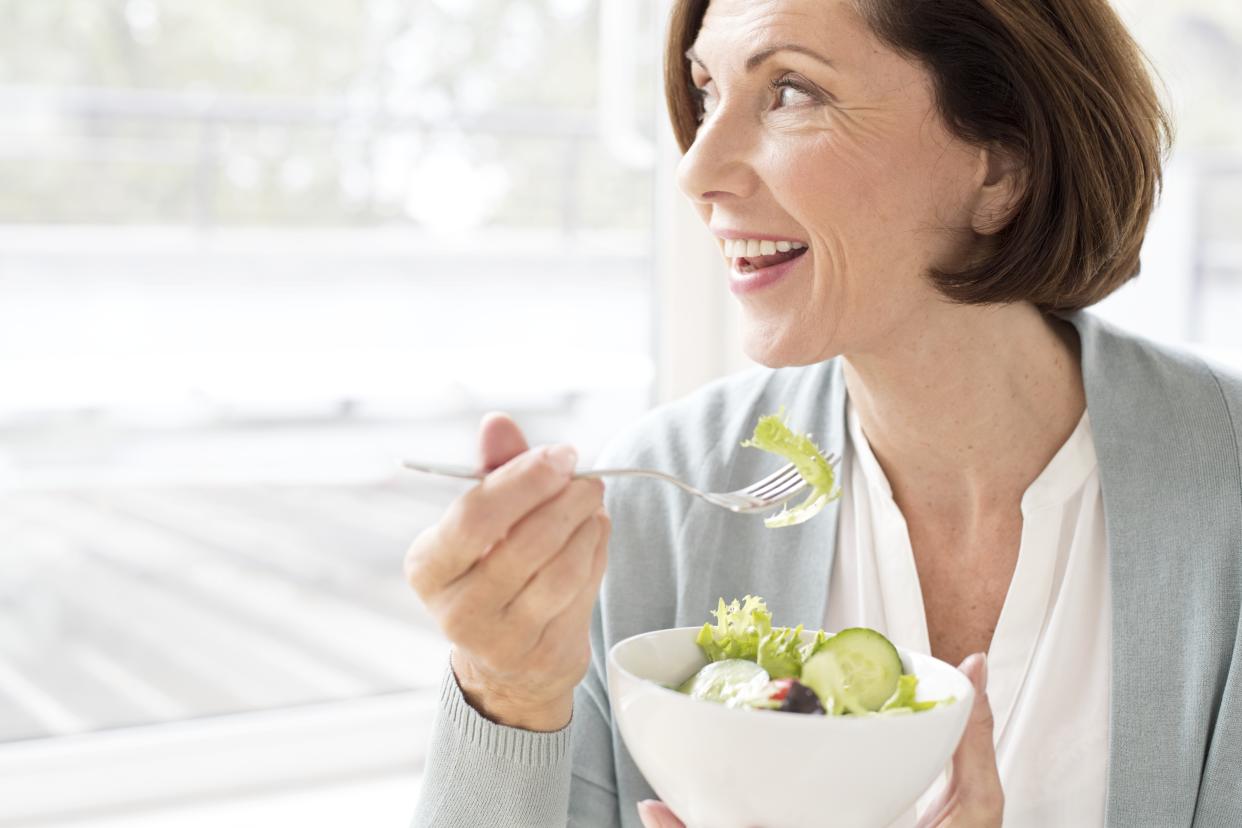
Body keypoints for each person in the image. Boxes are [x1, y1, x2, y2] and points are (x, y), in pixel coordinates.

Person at [405, 0, 1242, 825]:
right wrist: (507, 692)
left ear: (1001, 163)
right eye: (705, 93)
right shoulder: (664, 502)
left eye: (792, 92)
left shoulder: (1225, 489)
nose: (697, 170)